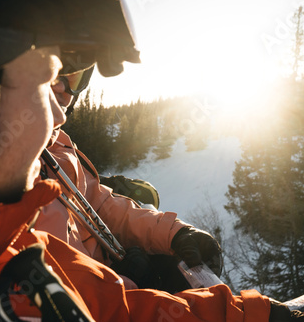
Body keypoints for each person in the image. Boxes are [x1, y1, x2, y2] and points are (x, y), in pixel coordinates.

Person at [0, 0, 304, 322]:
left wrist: (252, 314)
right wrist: (129, 279)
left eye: (69, 83)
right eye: (45, 82)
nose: (59, 111)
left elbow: (109, 298)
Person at [39, 62, 222, 291]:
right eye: (52, 73)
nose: (62, 88)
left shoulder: (58, 146)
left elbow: (101, 206)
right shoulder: (3, 177)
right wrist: (123, 284)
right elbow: (53, 296)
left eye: (75, 78)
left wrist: (174, 234)